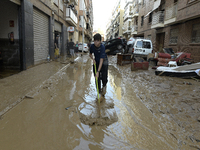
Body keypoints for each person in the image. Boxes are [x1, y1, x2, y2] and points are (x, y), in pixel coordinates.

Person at [89, 33, 108, 99]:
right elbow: (90, 54)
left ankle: (104, 85)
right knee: (97, 78)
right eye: (94, 41)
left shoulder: (102, 47)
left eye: (97, 41)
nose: (95, 42)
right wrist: (93, 59)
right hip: (96, 61)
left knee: (104, 77)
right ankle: (99, 92)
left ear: (100, 41)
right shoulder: (92, 46)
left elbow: (101, 60)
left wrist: (98, 71)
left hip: (103, 61)